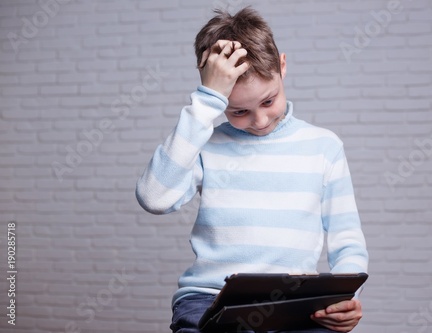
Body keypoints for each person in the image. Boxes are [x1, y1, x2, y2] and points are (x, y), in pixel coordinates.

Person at [136, 7, 368, 333]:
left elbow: (348, 243)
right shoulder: (203, 145)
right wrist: (206, 101)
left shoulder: (324, 147)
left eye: (269, 101)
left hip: (294, 304)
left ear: (282, 66)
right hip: (209, 298)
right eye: (239, 110)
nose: (259, 121)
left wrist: (345, 298)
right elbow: (154, 197)